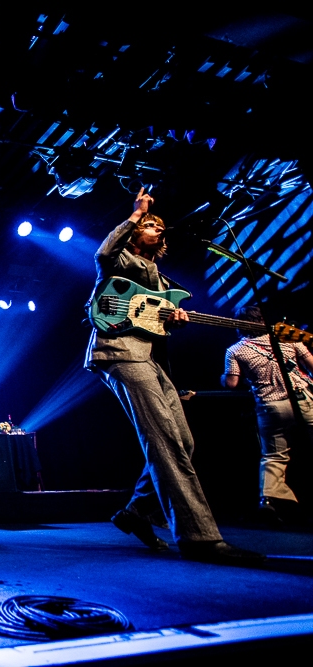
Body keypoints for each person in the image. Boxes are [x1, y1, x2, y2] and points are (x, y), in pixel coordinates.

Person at [85, 188, 262, 565]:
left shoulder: (164, 281)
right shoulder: (121, 262)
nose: (156, 228)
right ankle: (199, 537)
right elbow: (102, 253)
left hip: (153, 360)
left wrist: (175, 322)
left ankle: (136, 513)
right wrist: (135, 213)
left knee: (183, 441)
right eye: (149, 225)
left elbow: (155, 326)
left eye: (159, 226)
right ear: (135, 232)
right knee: (164, 439)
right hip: (121, 353)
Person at [222, 305, 313, 525]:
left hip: (270, 406)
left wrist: (223, 378)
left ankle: (270, 501)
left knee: (274, 455)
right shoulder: (287, 338)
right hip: (302, 400)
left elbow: (231, 383)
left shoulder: (235, 350)